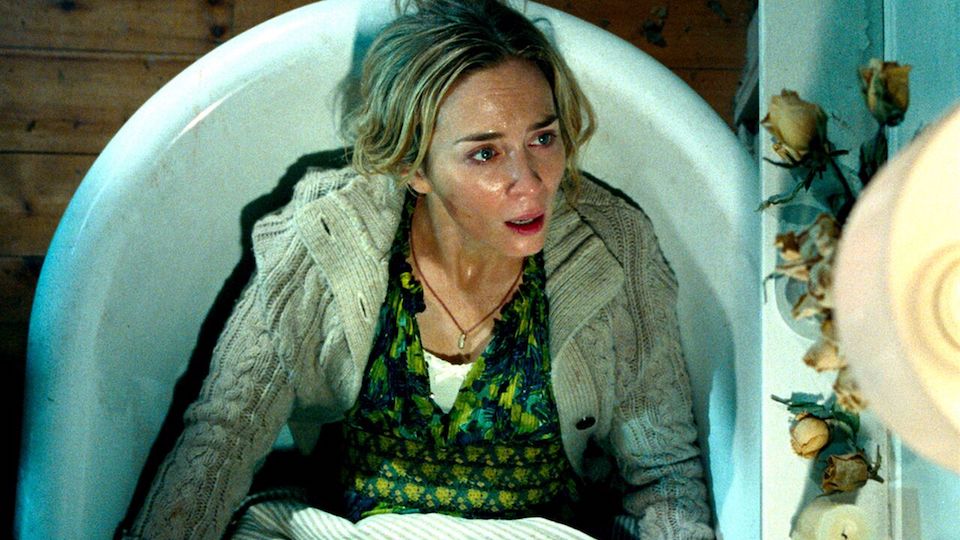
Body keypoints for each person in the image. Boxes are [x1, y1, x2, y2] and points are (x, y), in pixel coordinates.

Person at [125, 0, 712, 538]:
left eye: (542, 138)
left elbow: (663, 471)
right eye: (485, 153)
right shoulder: (324, 239)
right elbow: (223, 438)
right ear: (414, 167)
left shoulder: (615, 249)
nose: (531, 183)